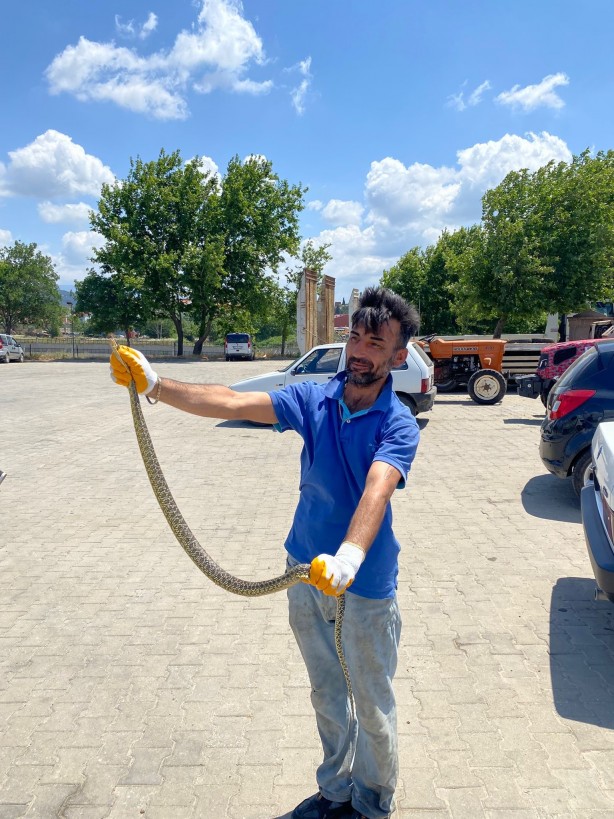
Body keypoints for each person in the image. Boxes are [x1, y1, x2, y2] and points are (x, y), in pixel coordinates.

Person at [110, 287, 420, 819]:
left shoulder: (398, 423)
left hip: (362, 586)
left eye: (376, 342)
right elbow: (231, 401)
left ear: (397, 356)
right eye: (354, 337)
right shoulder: (315, 398)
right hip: (303, 571)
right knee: (326, 695)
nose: (360, 350)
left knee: (371, 704)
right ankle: (334, 793)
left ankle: (372, 803)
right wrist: (156, 384)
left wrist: (347, 559)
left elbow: (377, 488)